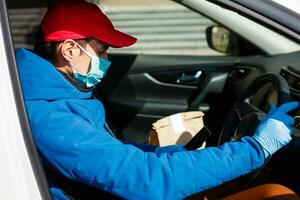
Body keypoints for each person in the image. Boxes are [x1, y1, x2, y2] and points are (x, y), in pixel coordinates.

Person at [16, 0, 299, 199]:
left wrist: (172, 155)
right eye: (101, 50)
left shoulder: (64, 96)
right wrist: (256, 148)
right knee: (278, 195)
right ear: (68, 50)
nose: (106, 60)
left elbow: (113, 155)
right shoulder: (50, 118)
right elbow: (148, 181)